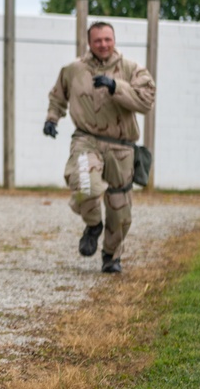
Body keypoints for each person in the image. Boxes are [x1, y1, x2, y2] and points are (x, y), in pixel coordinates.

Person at [44, 20, 156, 273]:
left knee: (120, 208)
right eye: (98, 40)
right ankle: (93, 225)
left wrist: (116, 86)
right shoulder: (73, 69)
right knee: (85, 185)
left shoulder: (132, 69)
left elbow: (146, 102)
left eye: (108, 39)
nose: (103, 44)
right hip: (87, 140)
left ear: (114, 40)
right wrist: (52, 118)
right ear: (89, 43)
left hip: (121, 147)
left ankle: (111, 256)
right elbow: (57, 96)